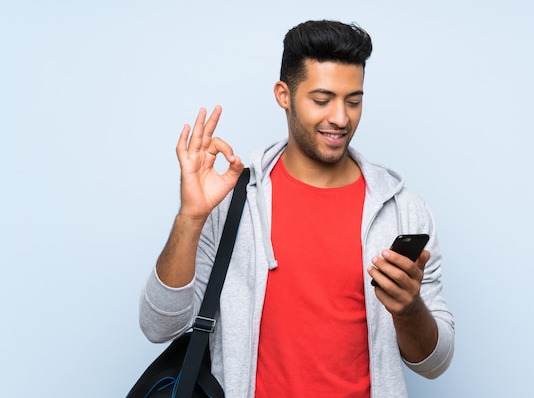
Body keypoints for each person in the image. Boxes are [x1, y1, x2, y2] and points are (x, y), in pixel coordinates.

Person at [139, 20, 454, 398]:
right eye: (322, 100)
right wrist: (190, 218)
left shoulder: (402, 211)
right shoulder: (232, 204)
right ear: (283, 94)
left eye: (353, 100)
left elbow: (435, 363)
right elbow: (158, 326)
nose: (340, 117)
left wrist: (408, 310)